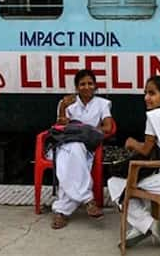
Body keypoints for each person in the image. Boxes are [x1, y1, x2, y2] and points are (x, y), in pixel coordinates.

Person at [107, 76, 160, 248]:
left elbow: (146, 149)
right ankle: (145, 226)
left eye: (152, 93)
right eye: (145, 93)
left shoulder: (154, 115)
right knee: (134, 180)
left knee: (116, 183)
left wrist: (131, 143)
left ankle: (148, 225)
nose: (146, 97)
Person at [50, 69, 114, 230]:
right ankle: (88, 200)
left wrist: (86, 130)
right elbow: (60, 126)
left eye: (90, 83)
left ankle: (62, 211)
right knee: (72, 152)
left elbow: (107, 127)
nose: (86, 87)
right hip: (65, 145)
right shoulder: (67, 102)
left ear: (95, 86)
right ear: (77, 87)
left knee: (74, 155)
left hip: (87, 147)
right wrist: (63, 107)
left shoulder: (102, 104)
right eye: (82, 84)